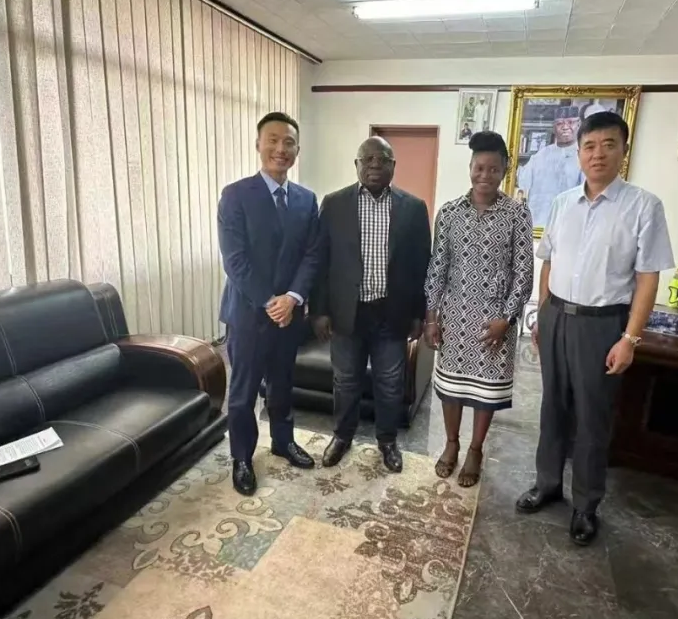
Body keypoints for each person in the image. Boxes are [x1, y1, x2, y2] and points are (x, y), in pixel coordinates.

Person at [516, 111, 674, 546]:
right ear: (578, 153)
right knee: (552, 408)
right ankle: (547, 484)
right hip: (556, 317)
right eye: (589, 146)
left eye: (608, 145)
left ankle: (586, 505)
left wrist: (630, 338)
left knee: (592, 417)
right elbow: (548, 261)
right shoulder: (562, 203)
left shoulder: (643, 206)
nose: (597, 154)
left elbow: (648, 278)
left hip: (602, 325)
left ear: (624, 150)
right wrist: (542, 313)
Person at [311, 137, 431, 472]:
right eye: (368, 159)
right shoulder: (334, 204)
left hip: (391, 313)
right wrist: (319, 310)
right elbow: (321, 261)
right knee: (345, 380)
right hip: (347, 313)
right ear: (357, 164)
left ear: (394, 165)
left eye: (383, 159)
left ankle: (388, 441)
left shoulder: (413, 208)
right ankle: (342, 436)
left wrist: (418, 314)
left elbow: (423, 265)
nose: (375, 164)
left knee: (390, 383)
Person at [218, 111, 320, 495]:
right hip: (247, 313)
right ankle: (242, 457)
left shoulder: (306, 200)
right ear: (258, 145)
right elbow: (235, 260)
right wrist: (269, 300)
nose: (281, 149)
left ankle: (283, 441)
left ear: (297, 150)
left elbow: (312, 255)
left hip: (289, 315)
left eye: (288, 142)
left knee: (282, 383)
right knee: (242, 391)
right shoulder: (235, 195)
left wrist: (292, 298)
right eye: (273, 140)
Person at [425, 132, 534, 487]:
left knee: (486, 393)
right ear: (470, 167)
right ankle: (451, 443)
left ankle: (475, 449)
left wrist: (507, 318)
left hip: (495, 321)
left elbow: (523, 272)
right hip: (454, 315)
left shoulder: (516, 213)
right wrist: (431, 316)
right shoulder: (449, 213)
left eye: (493, 169)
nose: (485, 175)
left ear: (504, 171)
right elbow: (437, 267)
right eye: (479, 168)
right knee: (451, 387)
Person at [515, 104, 584, 229]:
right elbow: (522, 183)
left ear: (579, 124)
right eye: (560, 123)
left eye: (570, 122)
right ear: (553, 127)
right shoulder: (540, 155)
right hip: (538, 224)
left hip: (569, 226)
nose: (565, 127)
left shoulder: (584, 156)